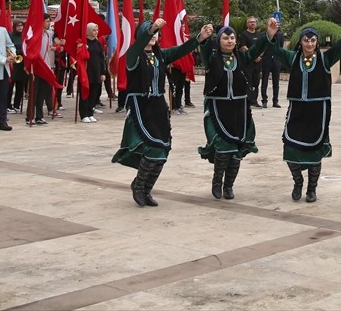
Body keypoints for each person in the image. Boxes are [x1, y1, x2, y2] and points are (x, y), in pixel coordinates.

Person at [112, 18, 209, 207]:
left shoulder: (160, 55)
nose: (153, 35)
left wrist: (200, 38)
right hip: (141, 104)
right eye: (149, 31)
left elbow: (181, 50)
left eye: (155, 32)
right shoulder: (133, 55)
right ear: (139, 35)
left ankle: (147, 188)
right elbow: (139, 45)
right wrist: (153, 27)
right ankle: (138, 186)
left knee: (164, 148)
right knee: (152, 146)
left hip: (158, 104)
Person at [269, 20, 341, 203]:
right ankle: (298, 182)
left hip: (318, 111)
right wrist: (271, 34)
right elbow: (275, 50)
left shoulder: (325, 59)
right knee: (290, 148)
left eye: (312, 41)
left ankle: (312, 189)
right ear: (300, 42)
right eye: (306, 40)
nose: (309, 44)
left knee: (314, 150)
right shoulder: (293, 58)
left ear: (317, 43)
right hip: (297, 110)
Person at [197, 22, 271, 200]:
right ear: (219, 40)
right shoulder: (212, 58)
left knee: (236, 150)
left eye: (232, 38)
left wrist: (269, 34)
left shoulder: (242, 57)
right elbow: (204, 48)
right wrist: (203, 37)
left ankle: (229, 185)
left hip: (239, 109)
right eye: (225, 38)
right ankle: (217, 183)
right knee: (223, 148)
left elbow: (258, 48)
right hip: (218, 108)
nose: (229, 41)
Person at [79, 22, 104, 123]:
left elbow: (102, 59)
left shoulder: (98, 43)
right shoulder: (84, 43)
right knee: (85, 93)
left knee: (94, 93)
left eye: (97, 30)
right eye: (93, 30)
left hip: (96, 71)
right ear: (88, 31)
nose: (96, 32)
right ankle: (84, 114)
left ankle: (90, 112)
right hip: (86, 71)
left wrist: (103, 72)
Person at [239, 16, 265, 107]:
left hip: (258, 63)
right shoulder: (244, 35)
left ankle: (255, 100)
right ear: (247, 24)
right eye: (250, 22)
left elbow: (263, 47)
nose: (252, 23)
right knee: (249, 81)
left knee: (256, 82)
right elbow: (243, 47)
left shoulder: (259, 35)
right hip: (248, 63)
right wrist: (253, 57)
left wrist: (259, 56)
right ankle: (248, 100)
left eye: (254, 22)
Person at [258, 24, 282, 108]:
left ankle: (275, 101)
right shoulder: (264, 35)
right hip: (266, 59)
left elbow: (281, 46)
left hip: (276, 60)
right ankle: (264, 100)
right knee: (264, 81)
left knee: (276, 82)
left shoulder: (280, 35)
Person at [8, 19, 27, 113]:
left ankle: (17, 105)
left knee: (20, 87)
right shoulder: (10, 36)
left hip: (22, 64)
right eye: (18, 26)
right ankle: (8, 105)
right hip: (13, 64)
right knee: (10, 86)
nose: (20, 27)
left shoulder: (24, 36)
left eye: (21, 25)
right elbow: (9, 48)